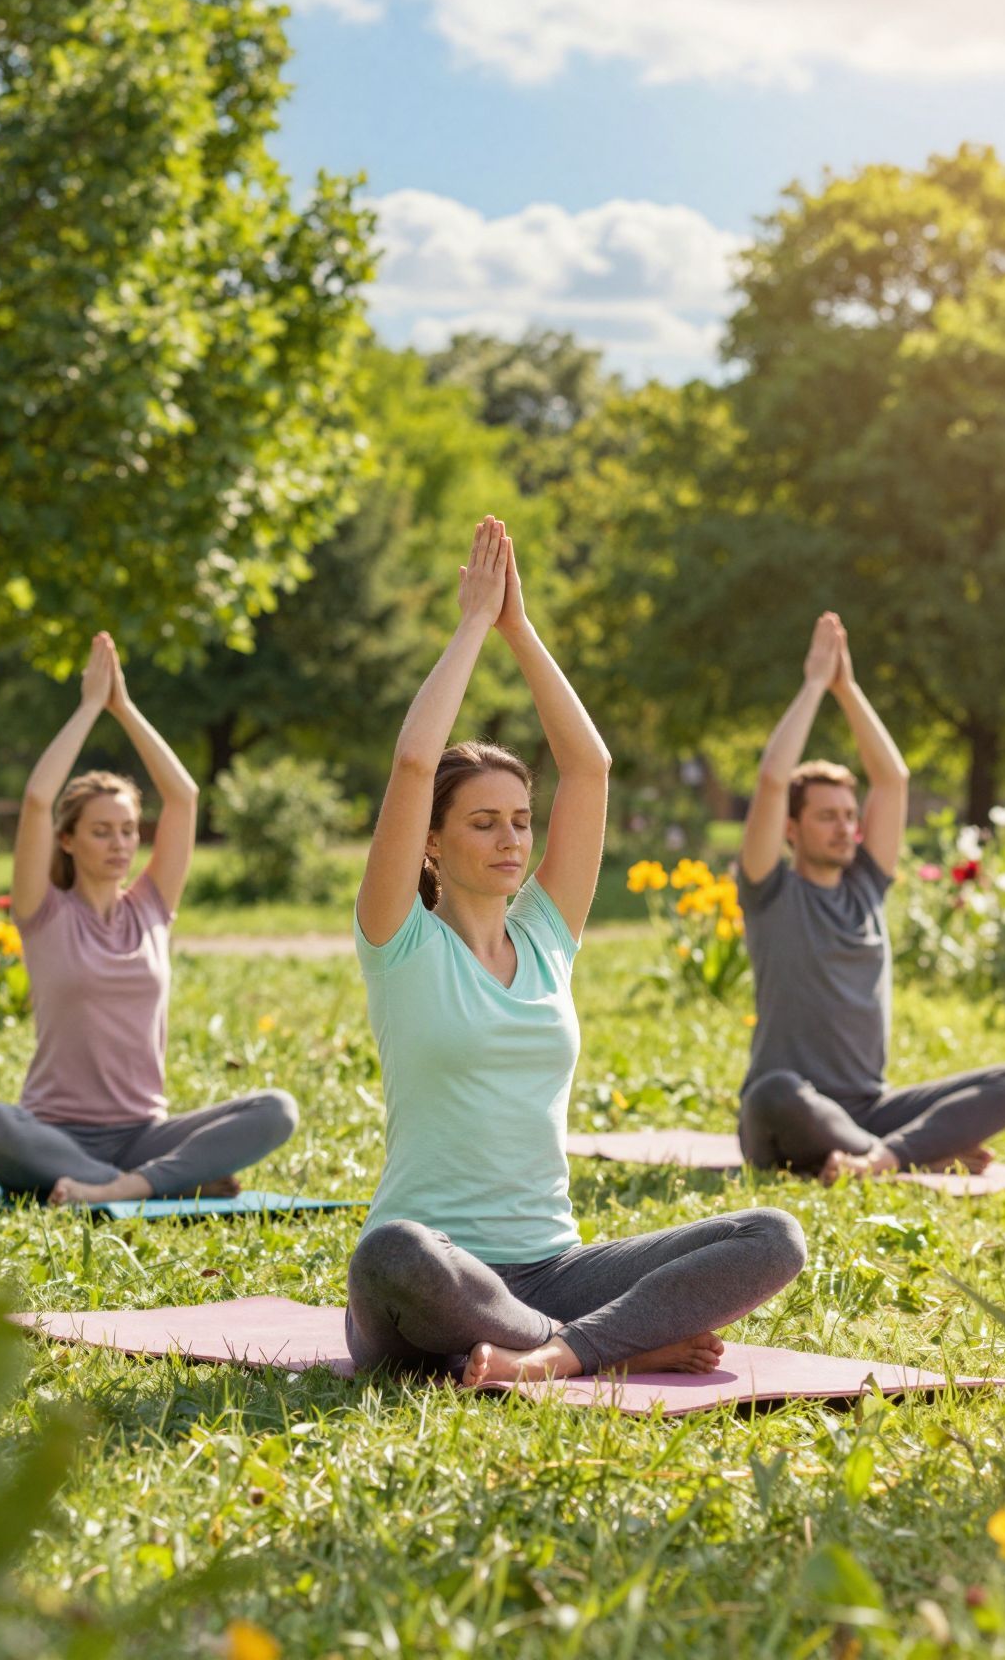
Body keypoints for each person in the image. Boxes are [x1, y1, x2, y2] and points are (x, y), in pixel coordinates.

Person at [345, 517, 806, 1386]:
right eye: (483, 823)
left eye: (520, 820)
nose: (511, 838)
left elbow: (587, 769)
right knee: (393, 1254)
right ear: (432, 845)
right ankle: (604, 1344)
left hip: (555, 1265)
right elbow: (412, 764)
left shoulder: (547, 937)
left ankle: (559, 1352)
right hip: (441, 1273)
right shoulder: (398, 942)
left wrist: (521, 628)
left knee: (772, 1236)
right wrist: (472, 626)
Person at [0, 632, 297, 1204]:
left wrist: (125, 707)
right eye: (101, 831)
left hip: (144, 1134)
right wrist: (90, 707)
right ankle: (166, 1182)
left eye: (127, 830)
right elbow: (38, 801)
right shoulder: (42, 913)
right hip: (53, 1136)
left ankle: (124, 1186)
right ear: (66, 840)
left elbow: (185, 797)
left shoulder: (152, 906)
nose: (120, 843)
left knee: (276, 1110)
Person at [738, 612, 1005, 1182]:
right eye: (827, 816)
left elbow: (892, 780)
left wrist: (848, 689)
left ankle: (884, 1157)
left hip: (871, 1105)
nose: (845, 828)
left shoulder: (868, 885)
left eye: (851, 816)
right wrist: (814, 685)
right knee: (773, 1092)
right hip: (791, 1111)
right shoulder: (770, 891)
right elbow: (773, 779)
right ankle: (912, 1151)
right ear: (791, 830)